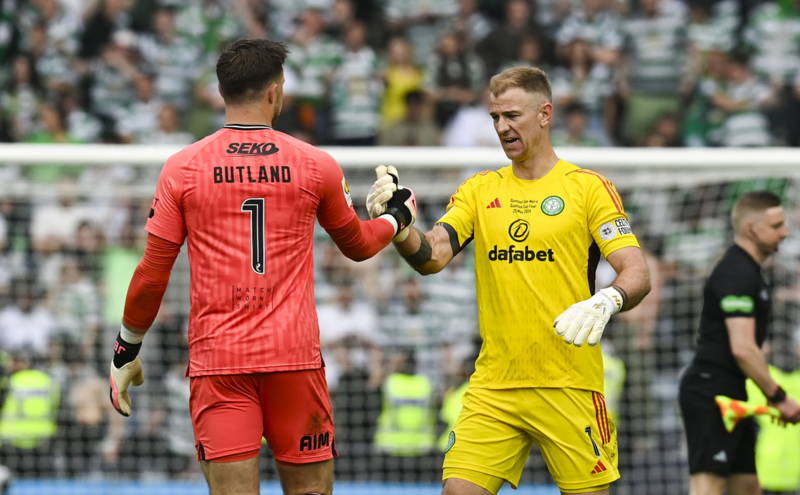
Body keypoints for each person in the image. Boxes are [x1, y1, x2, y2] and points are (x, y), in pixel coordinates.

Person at [106, 39, 415, 495]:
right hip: (294, 360)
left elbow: (152, 274)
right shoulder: (315, 164)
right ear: (274, 92)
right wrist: (397, 218)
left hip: (219, 363)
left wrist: (126, 350)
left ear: (221, 92)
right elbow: (359, 245)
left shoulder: (183, 168)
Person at [372, 66, 651, 495]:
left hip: (569, 384)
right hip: (494, 386)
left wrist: (608, 299)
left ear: (545, 113)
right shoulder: (479, 190)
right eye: (495, 118)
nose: (502, 128)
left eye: (512, 116)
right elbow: (432, 256)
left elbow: (637, 272)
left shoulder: (590, 189)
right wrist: (397, 224)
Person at [679, 191, 800, 495]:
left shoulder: (751, 272)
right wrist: (778, 397)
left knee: (747, 486)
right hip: (711, 393)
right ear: (751, 229)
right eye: (776, 226)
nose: (785, 232)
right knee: (709, 486)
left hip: (734, 393)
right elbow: (743, 349)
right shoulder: (737, 273)